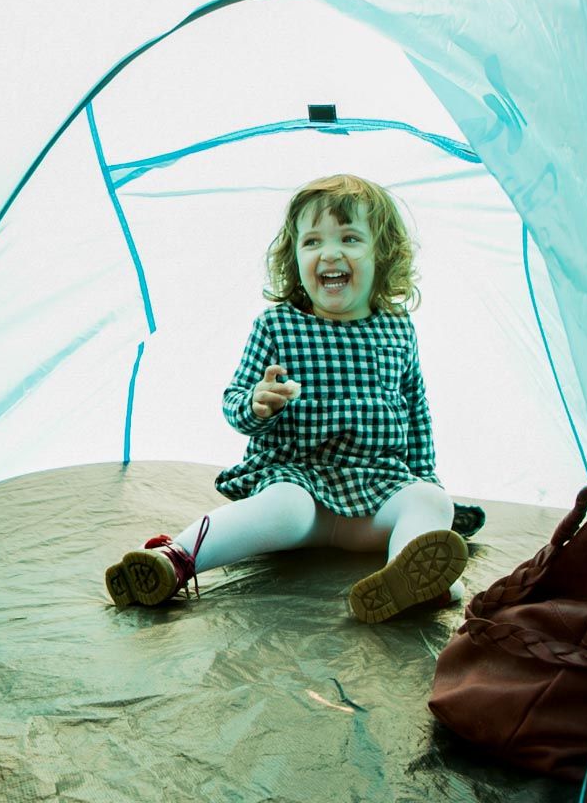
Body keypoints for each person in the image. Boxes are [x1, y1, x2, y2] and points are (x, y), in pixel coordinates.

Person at [103, 174, 468, 624]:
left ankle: (409, 579)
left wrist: (425, 479)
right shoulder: (276, 326)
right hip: (299, 484)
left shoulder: (398, 329)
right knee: (281, 509)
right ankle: (176, 559)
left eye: (349, 238)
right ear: (295, 258)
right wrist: (258, 403)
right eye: (312, 241)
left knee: (432, 502)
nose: (329, 253)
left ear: (383, 255)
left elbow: (416, 409)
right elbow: (235, 401)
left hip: (376, 491)